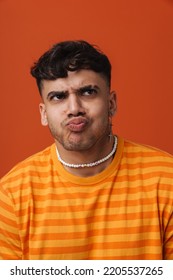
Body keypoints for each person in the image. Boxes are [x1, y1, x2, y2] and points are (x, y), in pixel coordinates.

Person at [0, 40, 173, 260]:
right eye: (58, 97)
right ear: (43, 113)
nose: (74, 108)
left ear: (111, 104)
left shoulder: (167, 180)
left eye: (88, 92)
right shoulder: (12, 196)